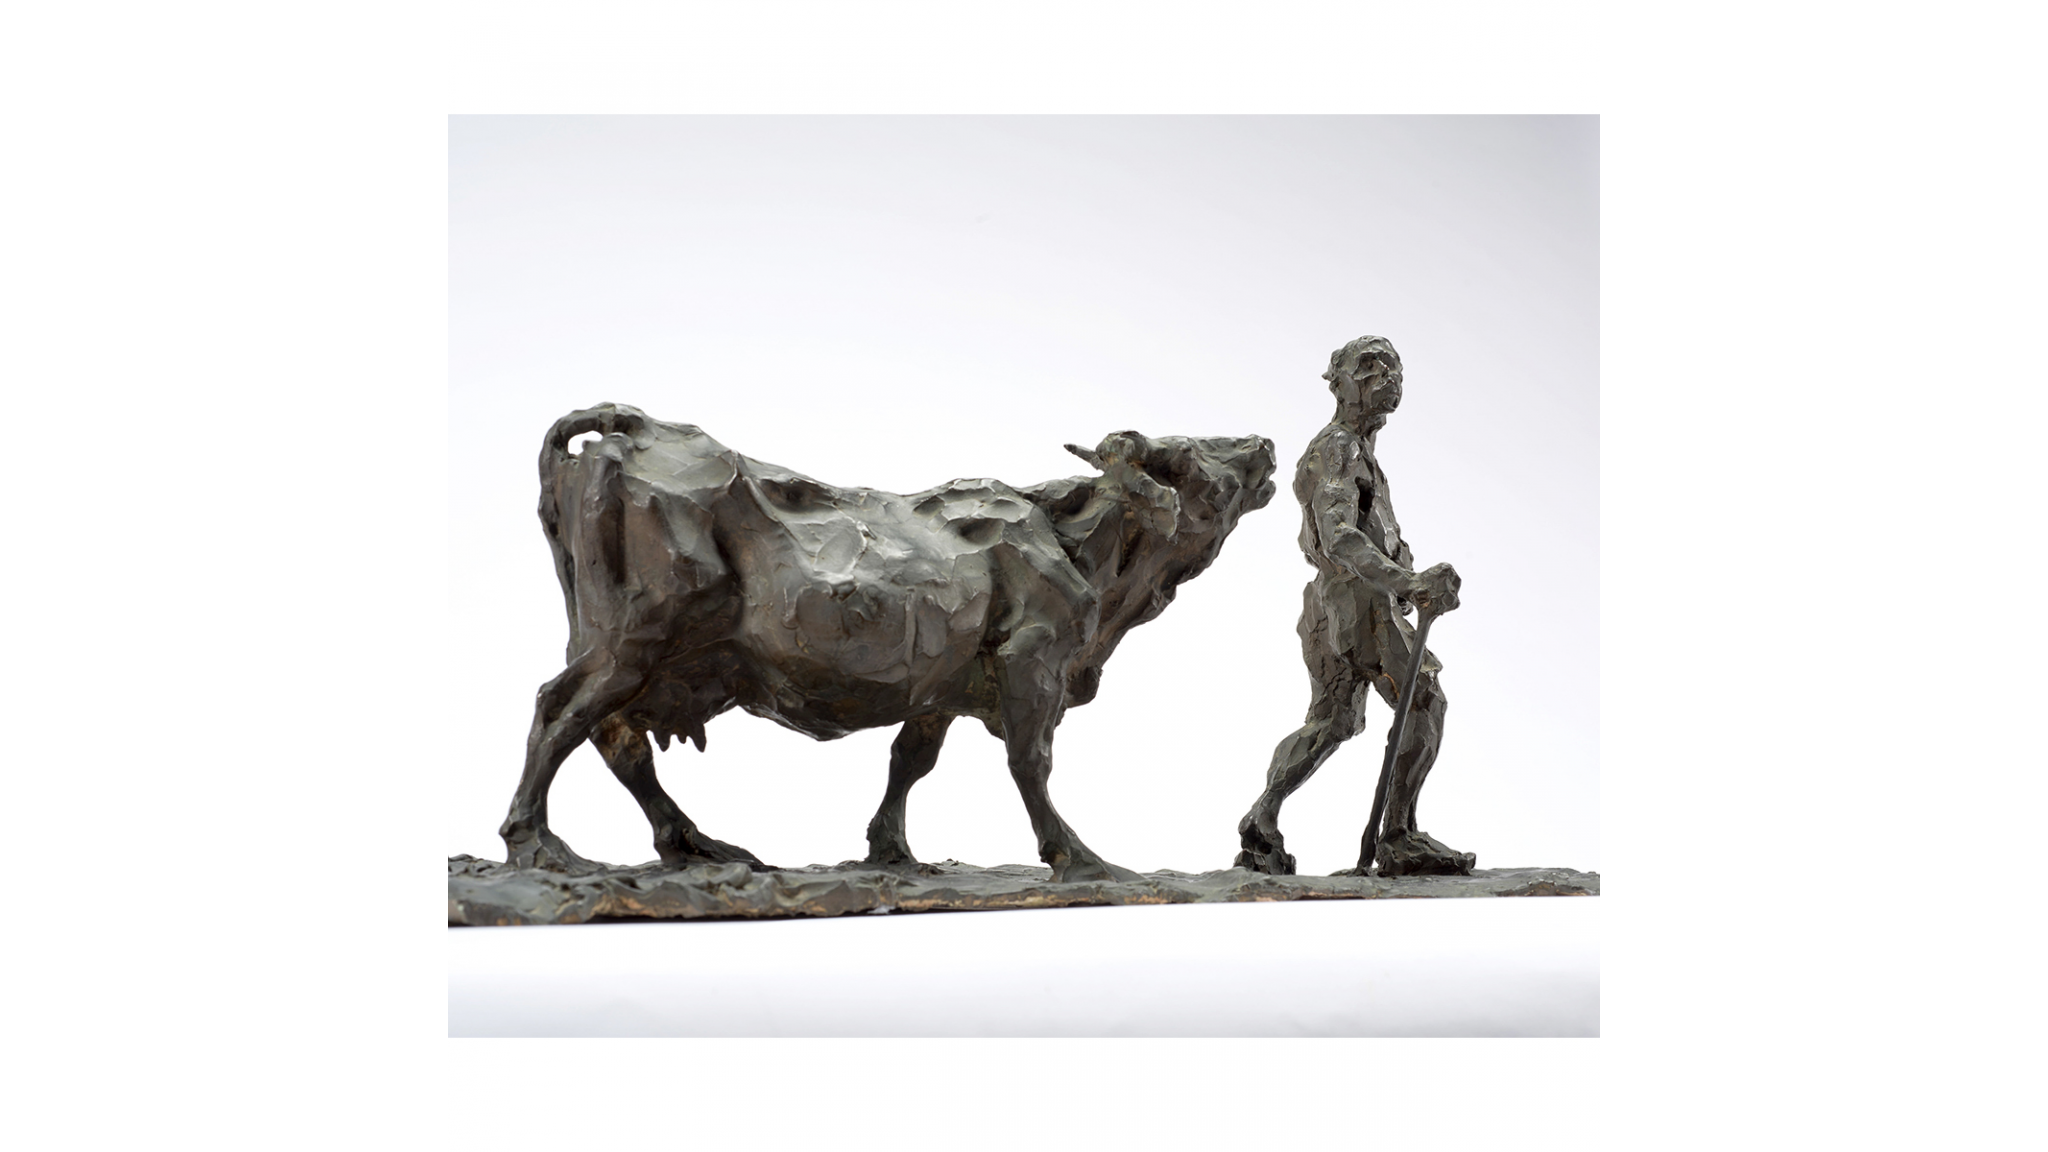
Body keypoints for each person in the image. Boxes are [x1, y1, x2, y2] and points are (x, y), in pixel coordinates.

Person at [1236, 336, 1476, 876]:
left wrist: (1409, 575)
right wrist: (1408, 581)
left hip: (1334, 603)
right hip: (1356, 603)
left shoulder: (1359, 452)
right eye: (1370, 368)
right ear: (1339, 384)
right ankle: (1398, 837)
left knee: (1333, 721)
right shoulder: (1338, 447)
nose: (1387, 378)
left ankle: (1263, 815)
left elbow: (1373, 534)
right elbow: (1339, 536)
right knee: (1424, 700)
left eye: (1394, 369)